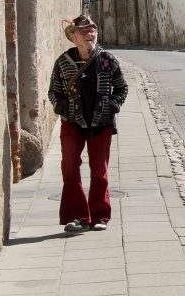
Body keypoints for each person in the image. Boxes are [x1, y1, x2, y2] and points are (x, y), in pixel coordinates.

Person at [48, 14, 128, 234]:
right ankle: (78, 217)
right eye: (84, 31)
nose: (90, 34)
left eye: (92, 30)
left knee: (99, 172)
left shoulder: (107, 60)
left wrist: (112, 105)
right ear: (73, 37)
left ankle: (99, 215)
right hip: (72, 125)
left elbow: (122, 88)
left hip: (101, 124)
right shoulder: (63, 62)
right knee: (70, 169)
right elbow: (54, 92)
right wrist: (64, 109)